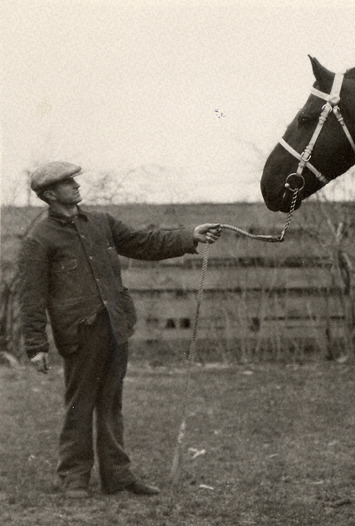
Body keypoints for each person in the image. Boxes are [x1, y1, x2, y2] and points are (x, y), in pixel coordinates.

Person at [18, 161, 222, 500]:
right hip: (79, 333)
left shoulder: (101, 222)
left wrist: (188, 237)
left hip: (116, 324)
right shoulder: (39, 240)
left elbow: (143, 242)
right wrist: (36, 344)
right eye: (68, 182)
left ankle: (118, 476)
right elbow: (32, 296)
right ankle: (74, 477)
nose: (76, 185)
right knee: (79, 404)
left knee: (111, 403)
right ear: (50, 194)